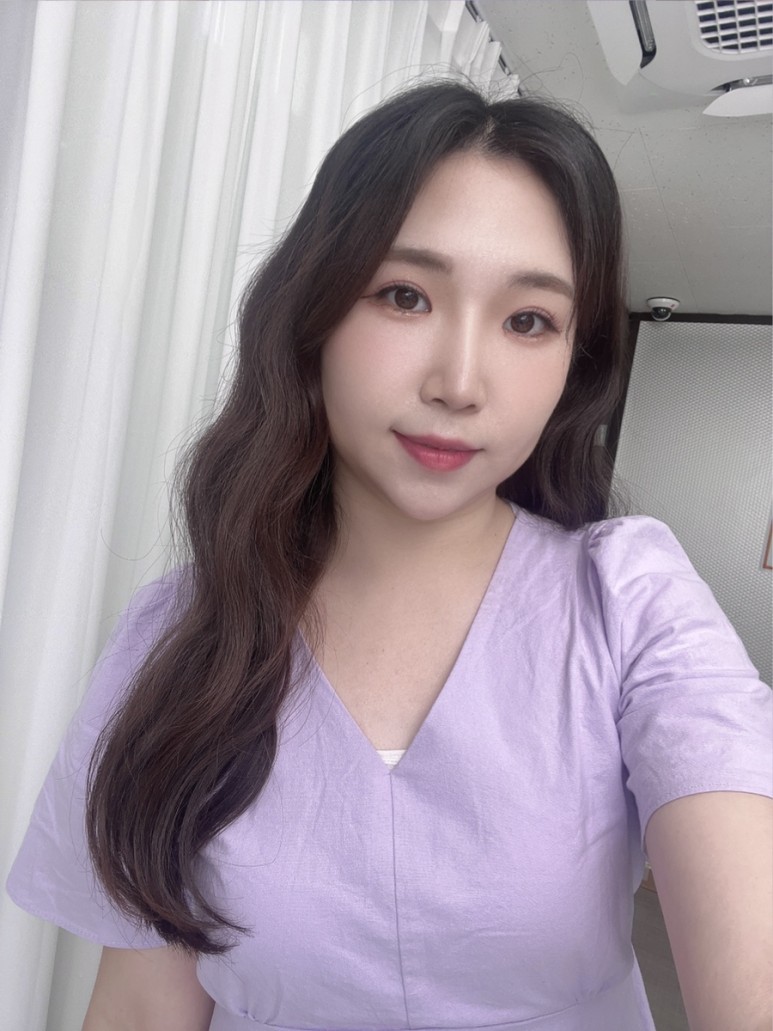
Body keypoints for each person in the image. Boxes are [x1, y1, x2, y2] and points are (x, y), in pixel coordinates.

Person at [6, 79, 772, 1031]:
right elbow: (141, 1006)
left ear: (572, 362)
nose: (459, 381)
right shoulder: (180, 632)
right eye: (404, 296)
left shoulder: (629, 600)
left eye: (527, 320)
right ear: (314, 312)